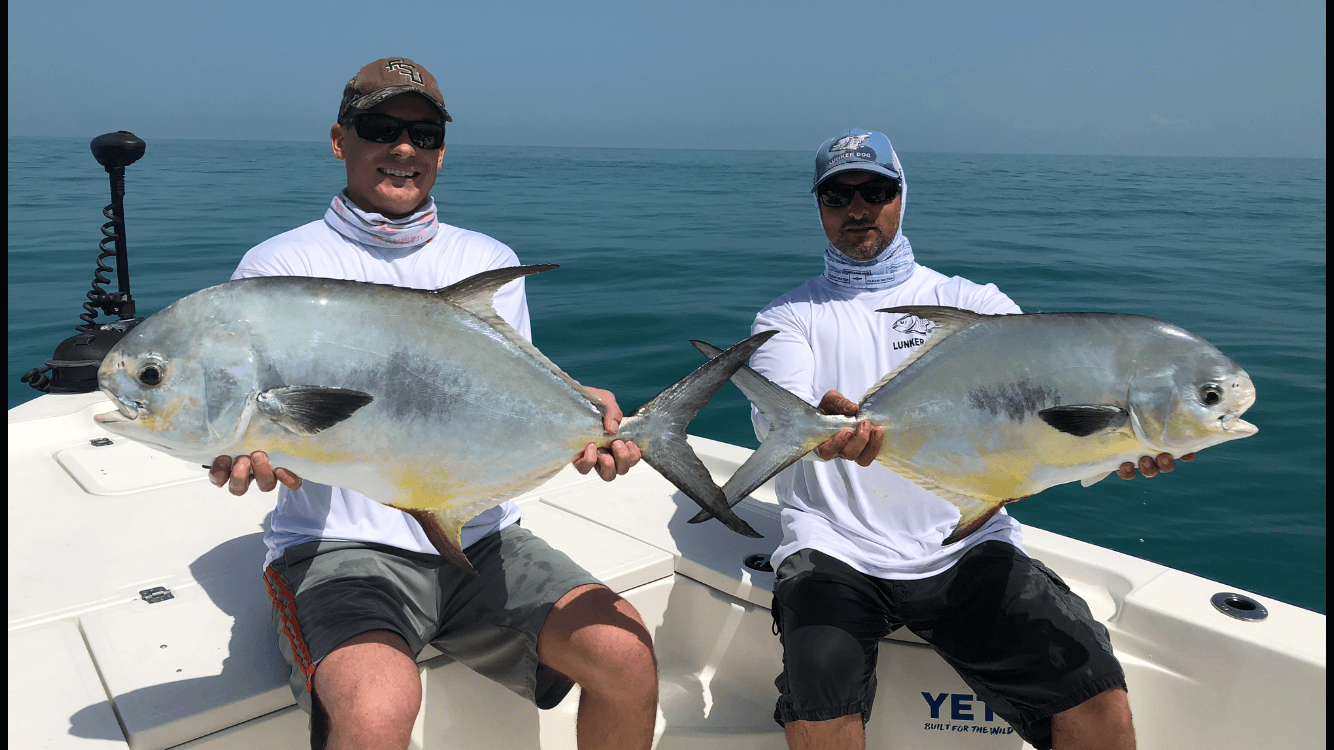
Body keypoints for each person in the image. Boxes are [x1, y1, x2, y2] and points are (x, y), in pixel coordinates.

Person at [208, 58, 656, 750]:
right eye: (380, 127)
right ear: (340, 139)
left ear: (442, 150)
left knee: (626, 654)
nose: (404, 148)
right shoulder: (276, 269)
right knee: (379, 708)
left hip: (481, 537)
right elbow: (239, 415)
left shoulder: (486, 261)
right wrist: (237, 453)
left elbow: (508, 405)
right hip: (342, 550)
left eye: (424, 133)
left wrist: (577, 421)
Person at [747, 128, 1193, 750]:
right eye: (837, 196)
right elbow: (781, 417)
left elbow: (1043, 414)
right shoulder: (790, 317)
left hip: (967, 538)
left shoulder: (974, 303)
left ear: (902, 195)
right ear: (819, 208)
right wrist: (817, 427)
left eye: (876, 189)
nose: (857, 207)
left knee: (1096, 696)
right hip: (835, 549)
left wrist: (1118, 447)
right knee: (820, 695)